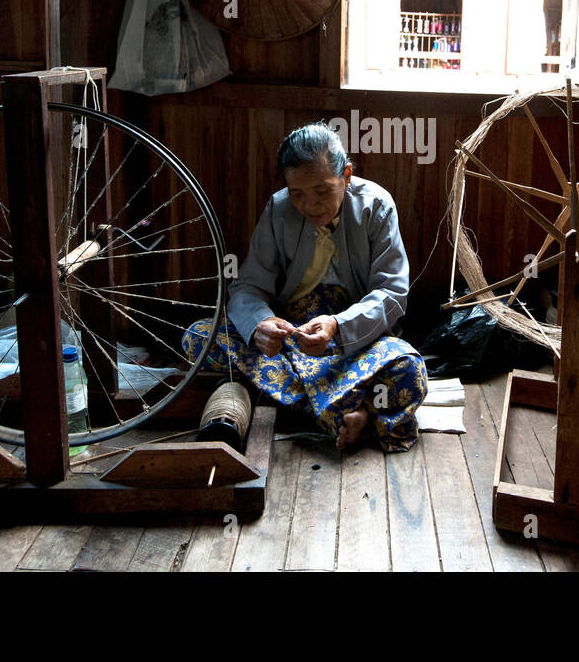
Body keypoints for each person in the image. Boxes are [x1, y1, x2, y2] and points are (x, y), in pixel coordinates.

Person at [181, 123, 427, 451]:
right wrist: (260, 326)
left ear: (347, 175)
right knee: (198, 337)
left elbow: (392, 293)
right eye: (298, 194)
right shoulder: (278, 209)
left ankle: (301, 403)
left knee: (407, 367)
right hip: (289, 342)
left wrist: (337, 326)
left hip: (351, 345)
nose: (310, 206)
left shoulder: (376, 206)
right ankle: (351, 410)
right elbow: (248, 286)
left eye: (322, 191)